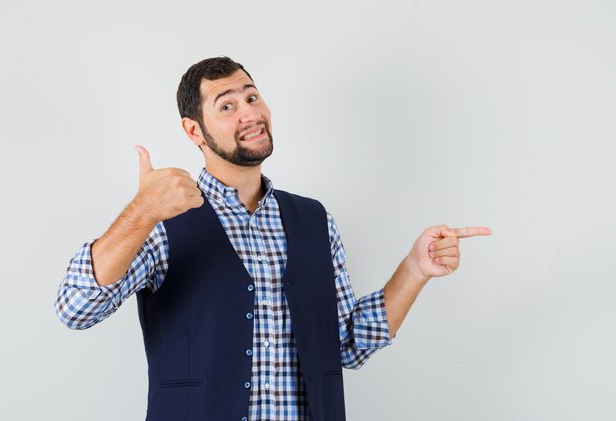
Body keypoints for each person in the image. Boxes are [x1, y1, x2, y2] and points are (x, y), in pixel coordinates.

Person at [55, 56, 491, 421]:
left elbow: (347, 345)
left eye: (252, 96)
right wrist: (143, 211)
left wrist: (415, 269)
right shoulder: (164, 219)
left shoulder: (313, 219)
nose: (249, 113)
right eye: (227, 106)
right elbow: (75, 309)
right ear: (194, 131)